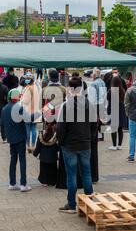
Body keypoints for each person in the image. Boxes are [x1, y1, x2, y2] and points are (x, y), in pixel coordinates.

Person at [56, 77, 97, 213]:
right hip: (85, 144)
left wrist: (60, 142)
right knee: (86, 173)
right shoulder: (89, 104)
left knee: (71, 175)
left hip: (70, 145)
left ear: (70, 89)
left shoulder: (66, 106)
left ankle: (71, 204)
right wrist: (89, 138)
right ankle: (90, 202)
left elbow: (61, 127)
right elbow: (94, 125)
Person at [0, 89, 31, 192]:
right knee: (22, 160)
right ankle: (23, 184)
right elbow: (28, 119)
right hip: (20, 137)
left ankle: (12, 183)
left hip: (11, 138)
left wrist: (5, 136)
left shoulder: (4, 109)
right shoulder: (19, 107)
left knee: (13, 159)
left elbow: (2, 124)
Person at [33, 122, 59, 187]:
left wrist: (35, 153)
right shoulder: (56, 135)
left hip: (43, 157)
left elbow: (38, 146)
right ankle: (52, 181)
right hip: (53, 157)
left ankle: (44, 181)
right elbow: (58, 147)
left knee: (44, 169)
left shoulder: (41, 135)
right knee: (52, 170)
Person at [21, 73, 41, 153]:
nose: (26, 80)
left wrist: (21, 98)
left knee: (27, 129)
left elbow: (25, 101)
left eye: (28, 78)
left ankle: (28, 146)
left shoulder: (28, 88)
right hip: (36, 111)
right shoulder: (37, 87)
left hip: (28, 111)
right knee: (34, 129)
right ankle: (33, 145)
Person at [107, 76, 127, 151]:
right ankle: (119, 145)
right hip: (121, 110)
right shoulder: (123, 90)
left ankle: (114, 145)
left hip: (113, 110)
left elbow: (107, 99)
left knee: (113, 128)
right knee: (120, 128)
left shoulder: (110, 91)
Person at [88, 68, 107, 142]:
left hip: (95, 104)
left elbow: (92, 97)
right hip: (102, 103)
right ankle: (102, 135)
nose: (92, 74)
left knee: (95, 120)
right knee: (101, 120)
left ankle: (96, 135)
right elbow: (104, 93)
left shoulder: (93, 83)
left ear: (95, 74)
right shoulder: (102, 82)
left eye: (92, 73)